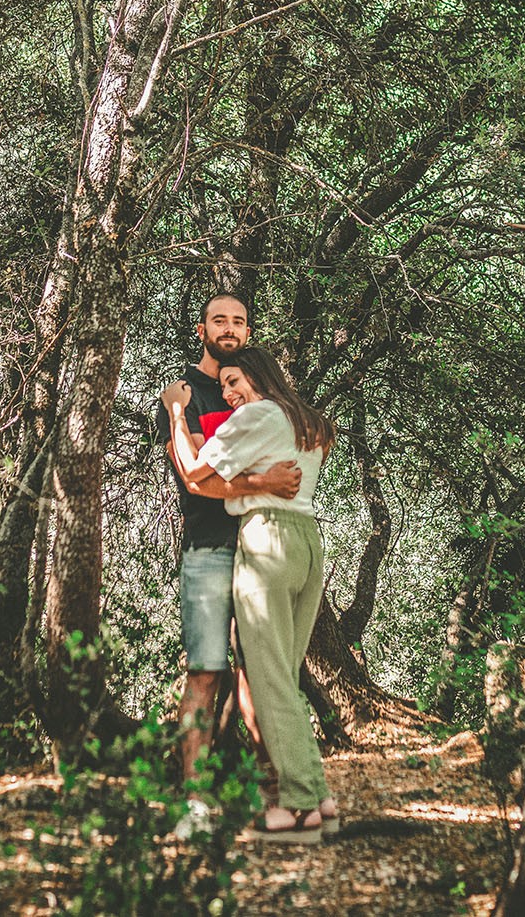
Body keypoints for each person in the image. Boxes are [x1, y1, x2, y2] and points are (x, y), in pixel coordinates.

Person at [161, 346, 337, 843]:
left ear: (258, 377)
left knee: (269, 679)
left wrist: (178, 411)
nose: (230, 393)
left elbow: (194, 472)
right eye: (226, 385)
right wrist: (258, 479)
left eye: (236, 381)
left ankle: (300, 809)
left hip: (268, 541)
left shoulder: (258, 414)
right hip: (307, 541)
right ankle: (321, 797)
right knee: (286, 675)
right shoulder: (309, 423)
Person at [154, 293, 300, 782]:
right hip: (209, 548)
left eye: (239, 322)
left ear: (249, 334)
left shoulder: (258, 395)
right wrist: (264, 483)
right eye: (219, 320)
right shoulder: (184, 394)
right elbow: (193, 477)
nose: (230, 329)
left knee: (262, 671)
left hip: (262, 546)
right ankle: (194, 793)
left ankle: (272, 786)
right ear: (202, 330)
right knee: (205, 670)